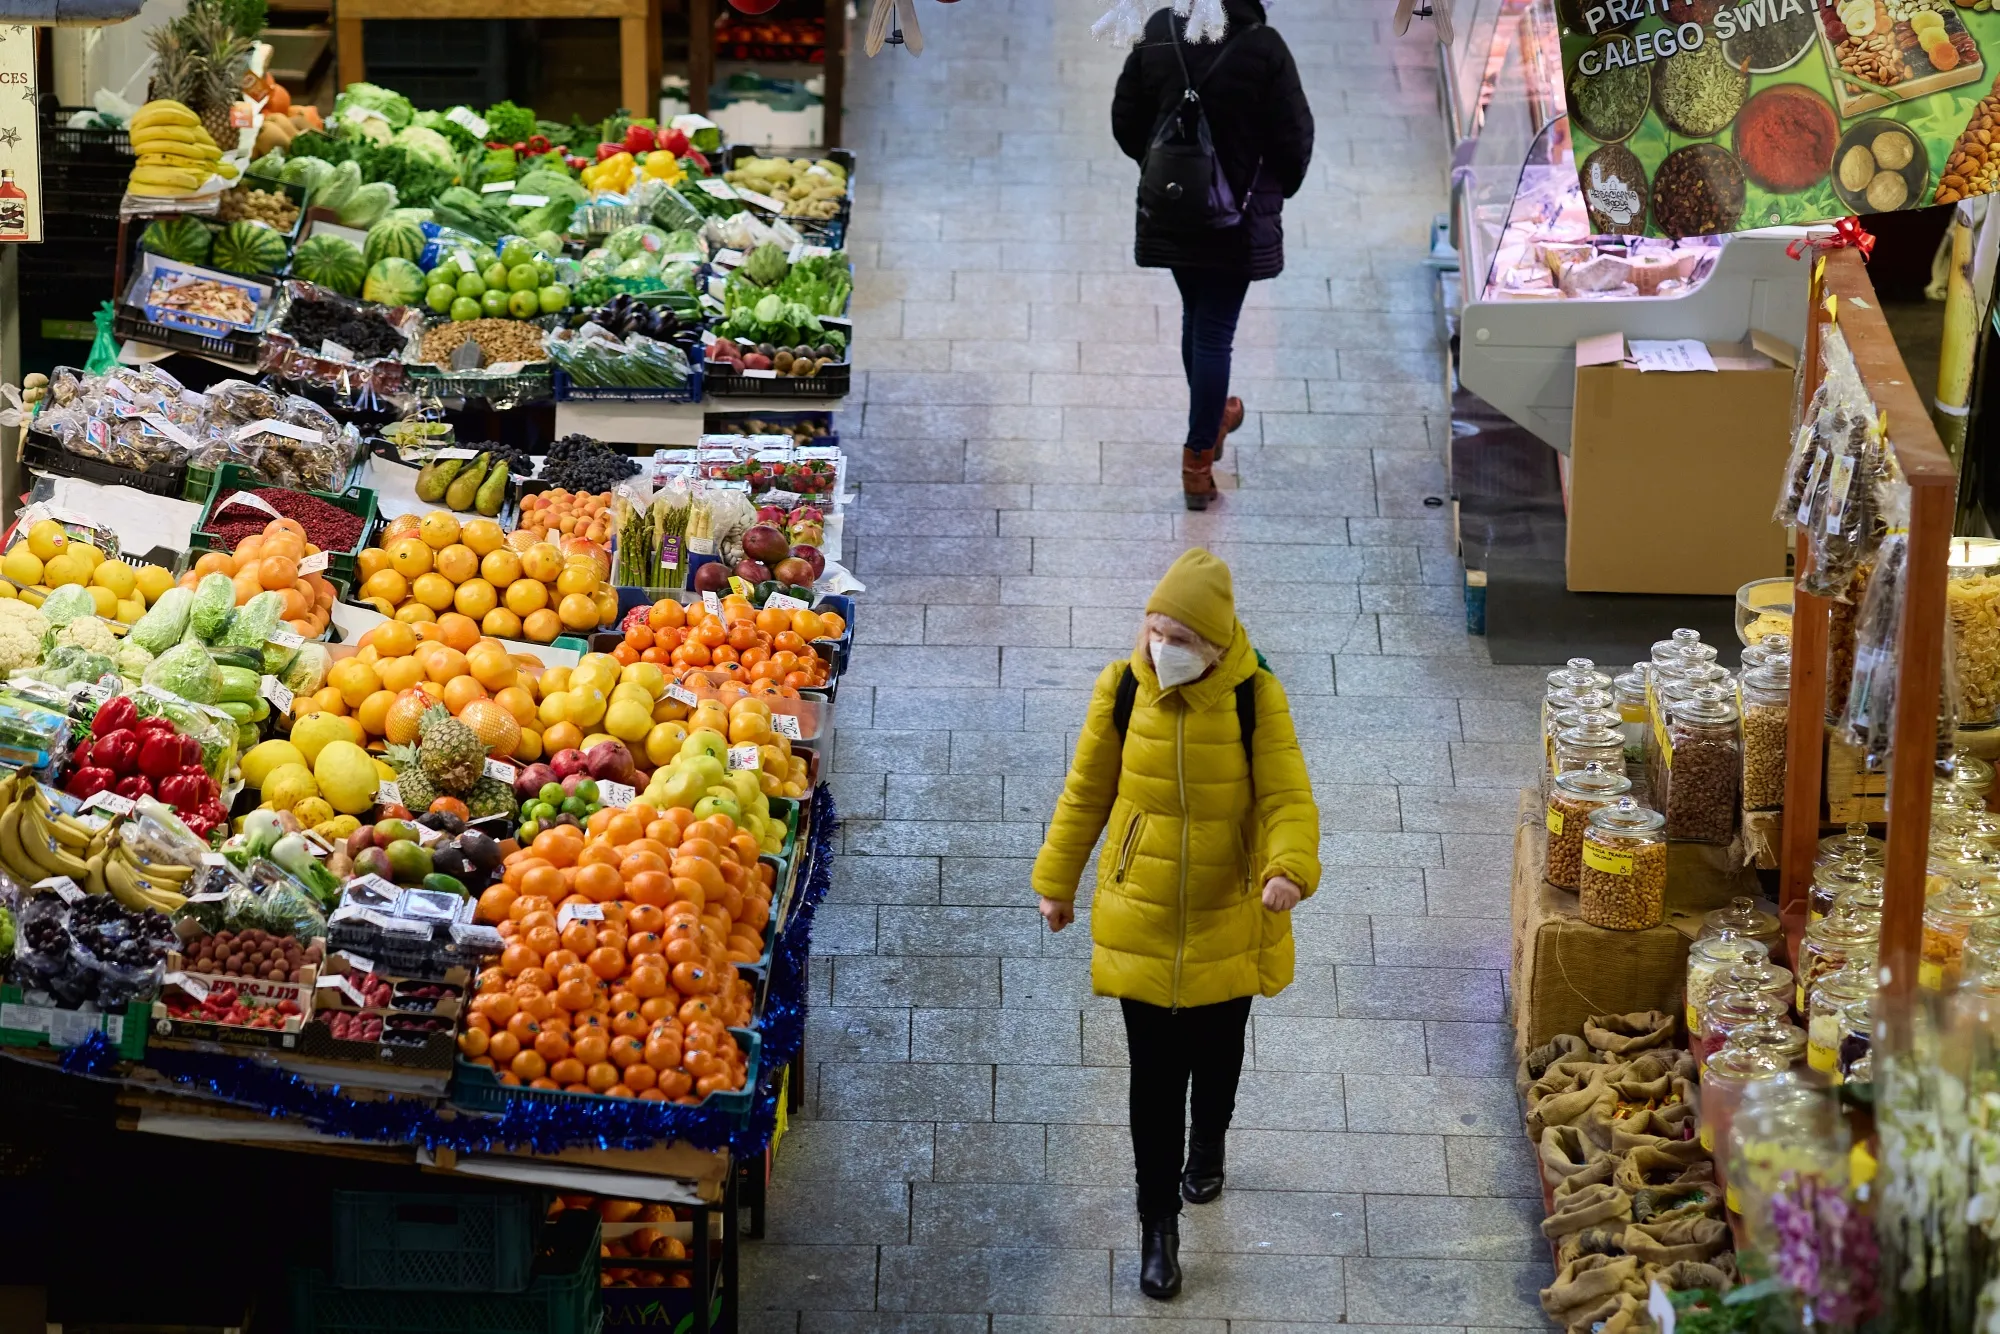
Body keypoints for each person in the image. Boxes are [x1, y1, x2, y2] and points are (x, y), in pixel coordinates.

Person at [1031, 548, 1322, 1301]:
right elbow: (1086, 791)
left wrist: (1288, 869)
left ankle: (1212, 1140)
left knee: (1217, 1053)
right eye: (1154, 630)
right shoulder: (1122, 689)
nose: (1163, 649)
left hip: (1234, 907)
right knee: (1153, 1080)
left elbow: (1288, 795)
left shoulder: (1257, 697)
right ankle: (1157, 1225)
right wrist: (1055, 882)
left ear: (1217, 647)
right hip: (1142, 911)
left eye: (1181, 638)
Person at [1110, 0, 1314, 512]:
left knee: (1197, 317)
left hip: (1175, 204)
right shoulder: (1265, 48)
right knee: (1214, 330)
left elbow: (1125, 116)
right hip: (1237, 214)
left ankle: (1213, 417)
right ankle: (1198, 457)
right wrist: (1272, 185)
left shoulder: (1162, 29)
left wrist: (1165, 168)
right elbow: (1295, 135)